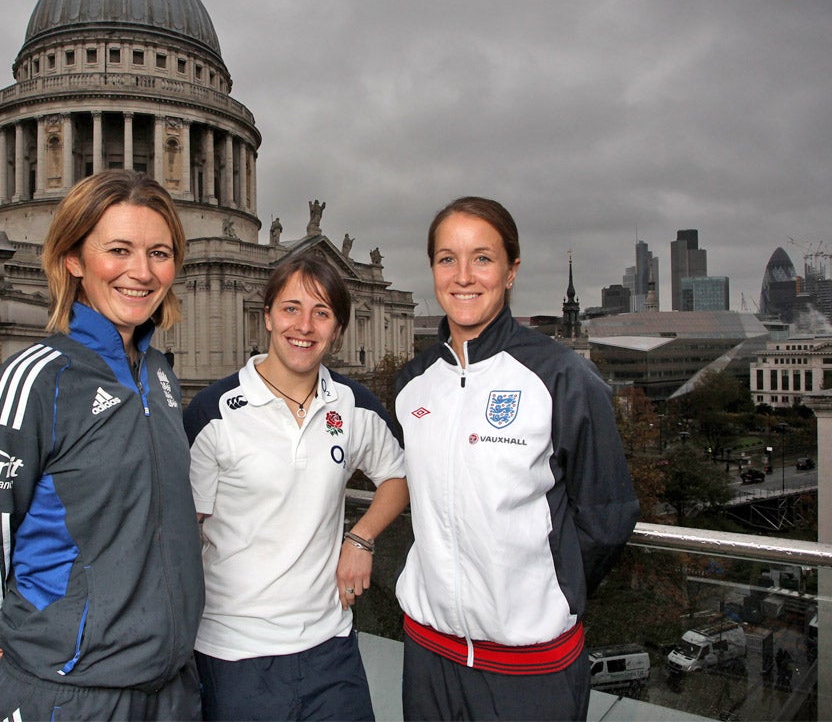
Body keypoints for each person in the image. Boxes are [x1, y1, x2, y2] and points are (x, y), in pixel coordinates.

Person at [0, 170, 204, 721]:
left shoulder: (159, 375)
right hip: (71, 692)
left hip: (170, 686)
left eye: (159, 252)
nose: (142, 272)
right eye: (119, 250)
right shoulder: (36, 379)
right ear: (73, 260)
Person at [394, 197, 640, 721]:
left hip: (530, 670)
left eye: (482, 258)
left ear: (511, 271)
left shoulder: (563, 376)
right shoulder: (411, 383)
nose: (463, 276)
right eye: (446, 259)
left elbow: (607, 518)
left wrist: (552, 592)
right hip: (426, 659)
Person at [184, 254, 409, 721]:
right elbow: (182, 535)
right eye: (290, 308)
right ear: (266, 315)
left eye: (321, 312)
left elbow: (399, 476)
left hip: (332, 647)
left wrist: (361, 537)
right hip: (234, 654)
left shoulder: (353, 404)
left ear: (338, 328)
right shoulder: (212, 412)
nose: (304, 326)